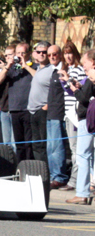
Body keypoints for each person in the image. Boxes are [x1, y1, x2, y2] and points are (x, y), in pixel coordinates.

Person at [0, 42, 37, 162]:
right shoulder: (13, 68)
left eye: (23, 53)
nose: (20, 55)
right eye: (18, 53)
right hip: (14, 108)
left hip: (28, 109)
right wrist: (8, 66)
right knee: (18, 143)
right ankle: (19, 166)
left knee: (28, 142)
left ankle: (29, 166)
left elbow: (38, 77)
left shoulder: (33, 66)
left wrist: (26, 66)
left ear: (28, 54)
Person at [67, 49, 95, 205]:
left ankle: (82, 193)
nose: (83, 66)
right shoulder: (89, 78)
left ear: (92, 62)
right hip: (88, 118)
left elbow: (84, 98)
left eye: (85, 62)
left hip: (88, 119)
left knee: (83, 155)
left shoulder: (92, 76)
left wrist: (76, 90)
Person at [59, 41, 86, 191]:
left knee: (76, 149)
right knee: (72, 147)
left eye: (70, 53)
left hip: (75, 112)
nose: (68, 56)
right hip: (68, 112)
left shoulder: (78, 69)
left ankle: (74, 181)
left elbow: (76, 90)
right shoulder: (66, 69)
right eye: (66, 53)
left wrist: (67, 78)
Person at [46, 45, 69, 189]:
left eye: (54, 54)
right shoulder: (52, 70)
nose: (52, 57)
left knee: (57, 147)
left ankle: (59, 176)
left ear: (60, 55)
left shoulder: (63, 70)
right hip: (50, 112)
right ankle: (53, 175)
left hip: (59, 113)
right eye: (49, 55)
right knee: (50, 147)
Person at [25, 41, 52, 163]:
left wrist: (46, 107)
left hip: (43, 111)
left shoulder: (52, 69)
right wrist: (25, 66)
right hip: (33, 111)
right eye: (38, 52)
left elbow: (56, 90)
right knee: (35, 144)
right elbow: (37, 77)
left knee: (42, 145)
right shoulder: (39, 69)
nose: (41, 54)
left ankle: (46, 172)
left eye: (44, 52)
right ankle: (39, 171)